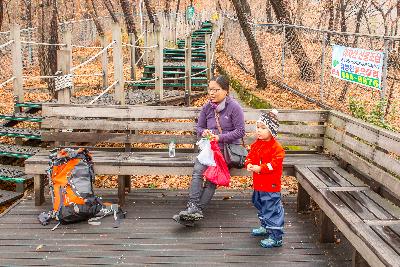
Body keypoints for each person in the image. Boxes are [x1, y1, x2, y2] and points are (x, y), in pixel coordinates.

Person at [173, 75, 245, 226]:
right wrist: (204, 132)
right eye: (210, 89)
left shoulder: (234, 107)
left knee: (212, 177)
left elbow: (240, 132)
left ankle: (195, 211)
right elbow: (199, 128)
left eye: (216, 90)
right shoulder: (207, 107)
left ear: (226, 90)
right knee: (198, 170)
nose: (212, 93)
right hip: (209, 149)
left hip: (226, 150)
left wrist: (220, 137)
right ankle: (193, 207)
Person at [245, 110, 286, 248]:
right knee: (259, 203)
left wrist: (260, 168)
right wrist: (249, 163)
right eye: (258, 127)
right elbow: (250, 155)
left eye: (263, 128)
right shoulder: (257, 144)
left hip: (271, 186)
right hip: (259, 185)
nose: (259, 130)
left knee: (271, 208)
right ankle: (265, 226)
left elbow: (274, 165)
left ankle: (276, 237)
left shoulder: (277, 148)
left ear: (272, 130)